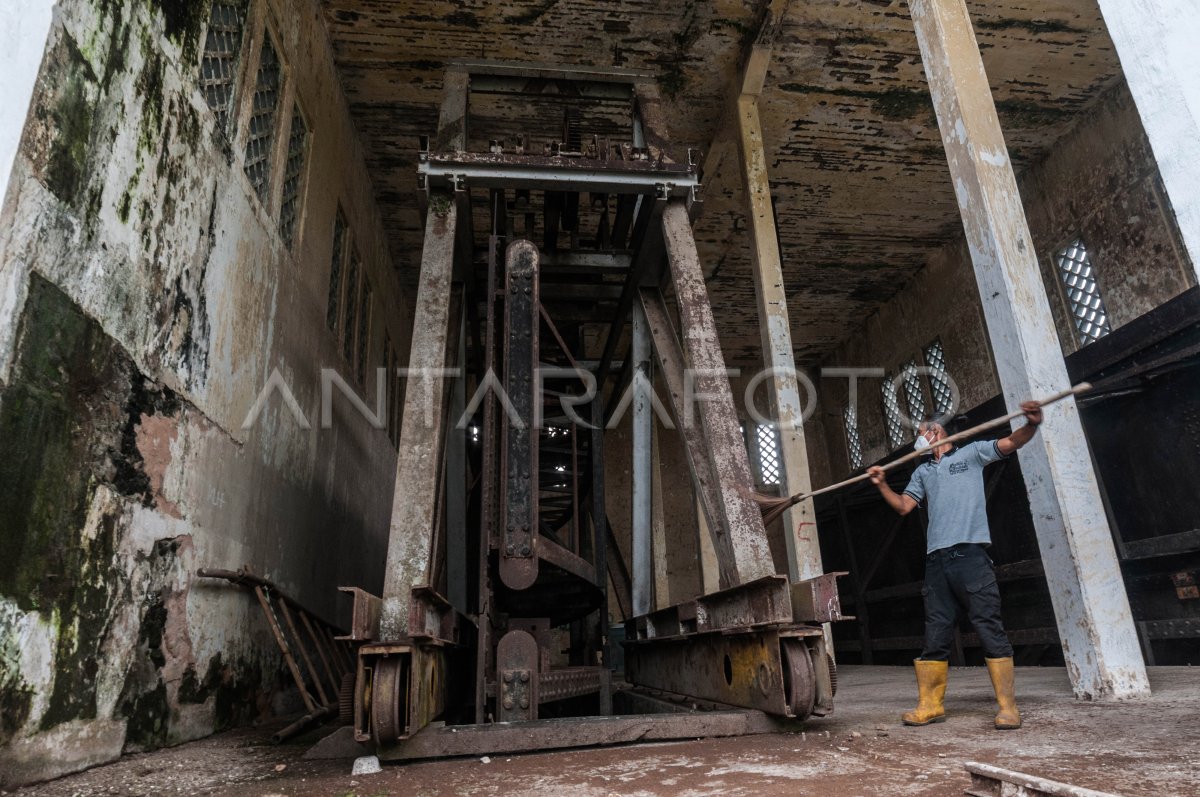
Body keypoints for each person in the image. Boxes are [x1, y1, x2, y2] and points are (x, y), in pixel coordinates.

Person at [867, 401, 1044, 730]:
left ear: (935, 431)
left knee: (989, 627)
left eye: (920, 433)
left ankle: (1008, 707)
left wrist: (1031, 424)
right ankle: (930, 705)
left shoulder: (972, 454)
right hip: (937, 562)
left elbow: (1012, 442)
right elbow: (904, 506)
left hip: (971, 557)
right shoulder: (922, 472)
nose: (917, 440)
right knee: (935, 634)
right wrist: (881, 484)